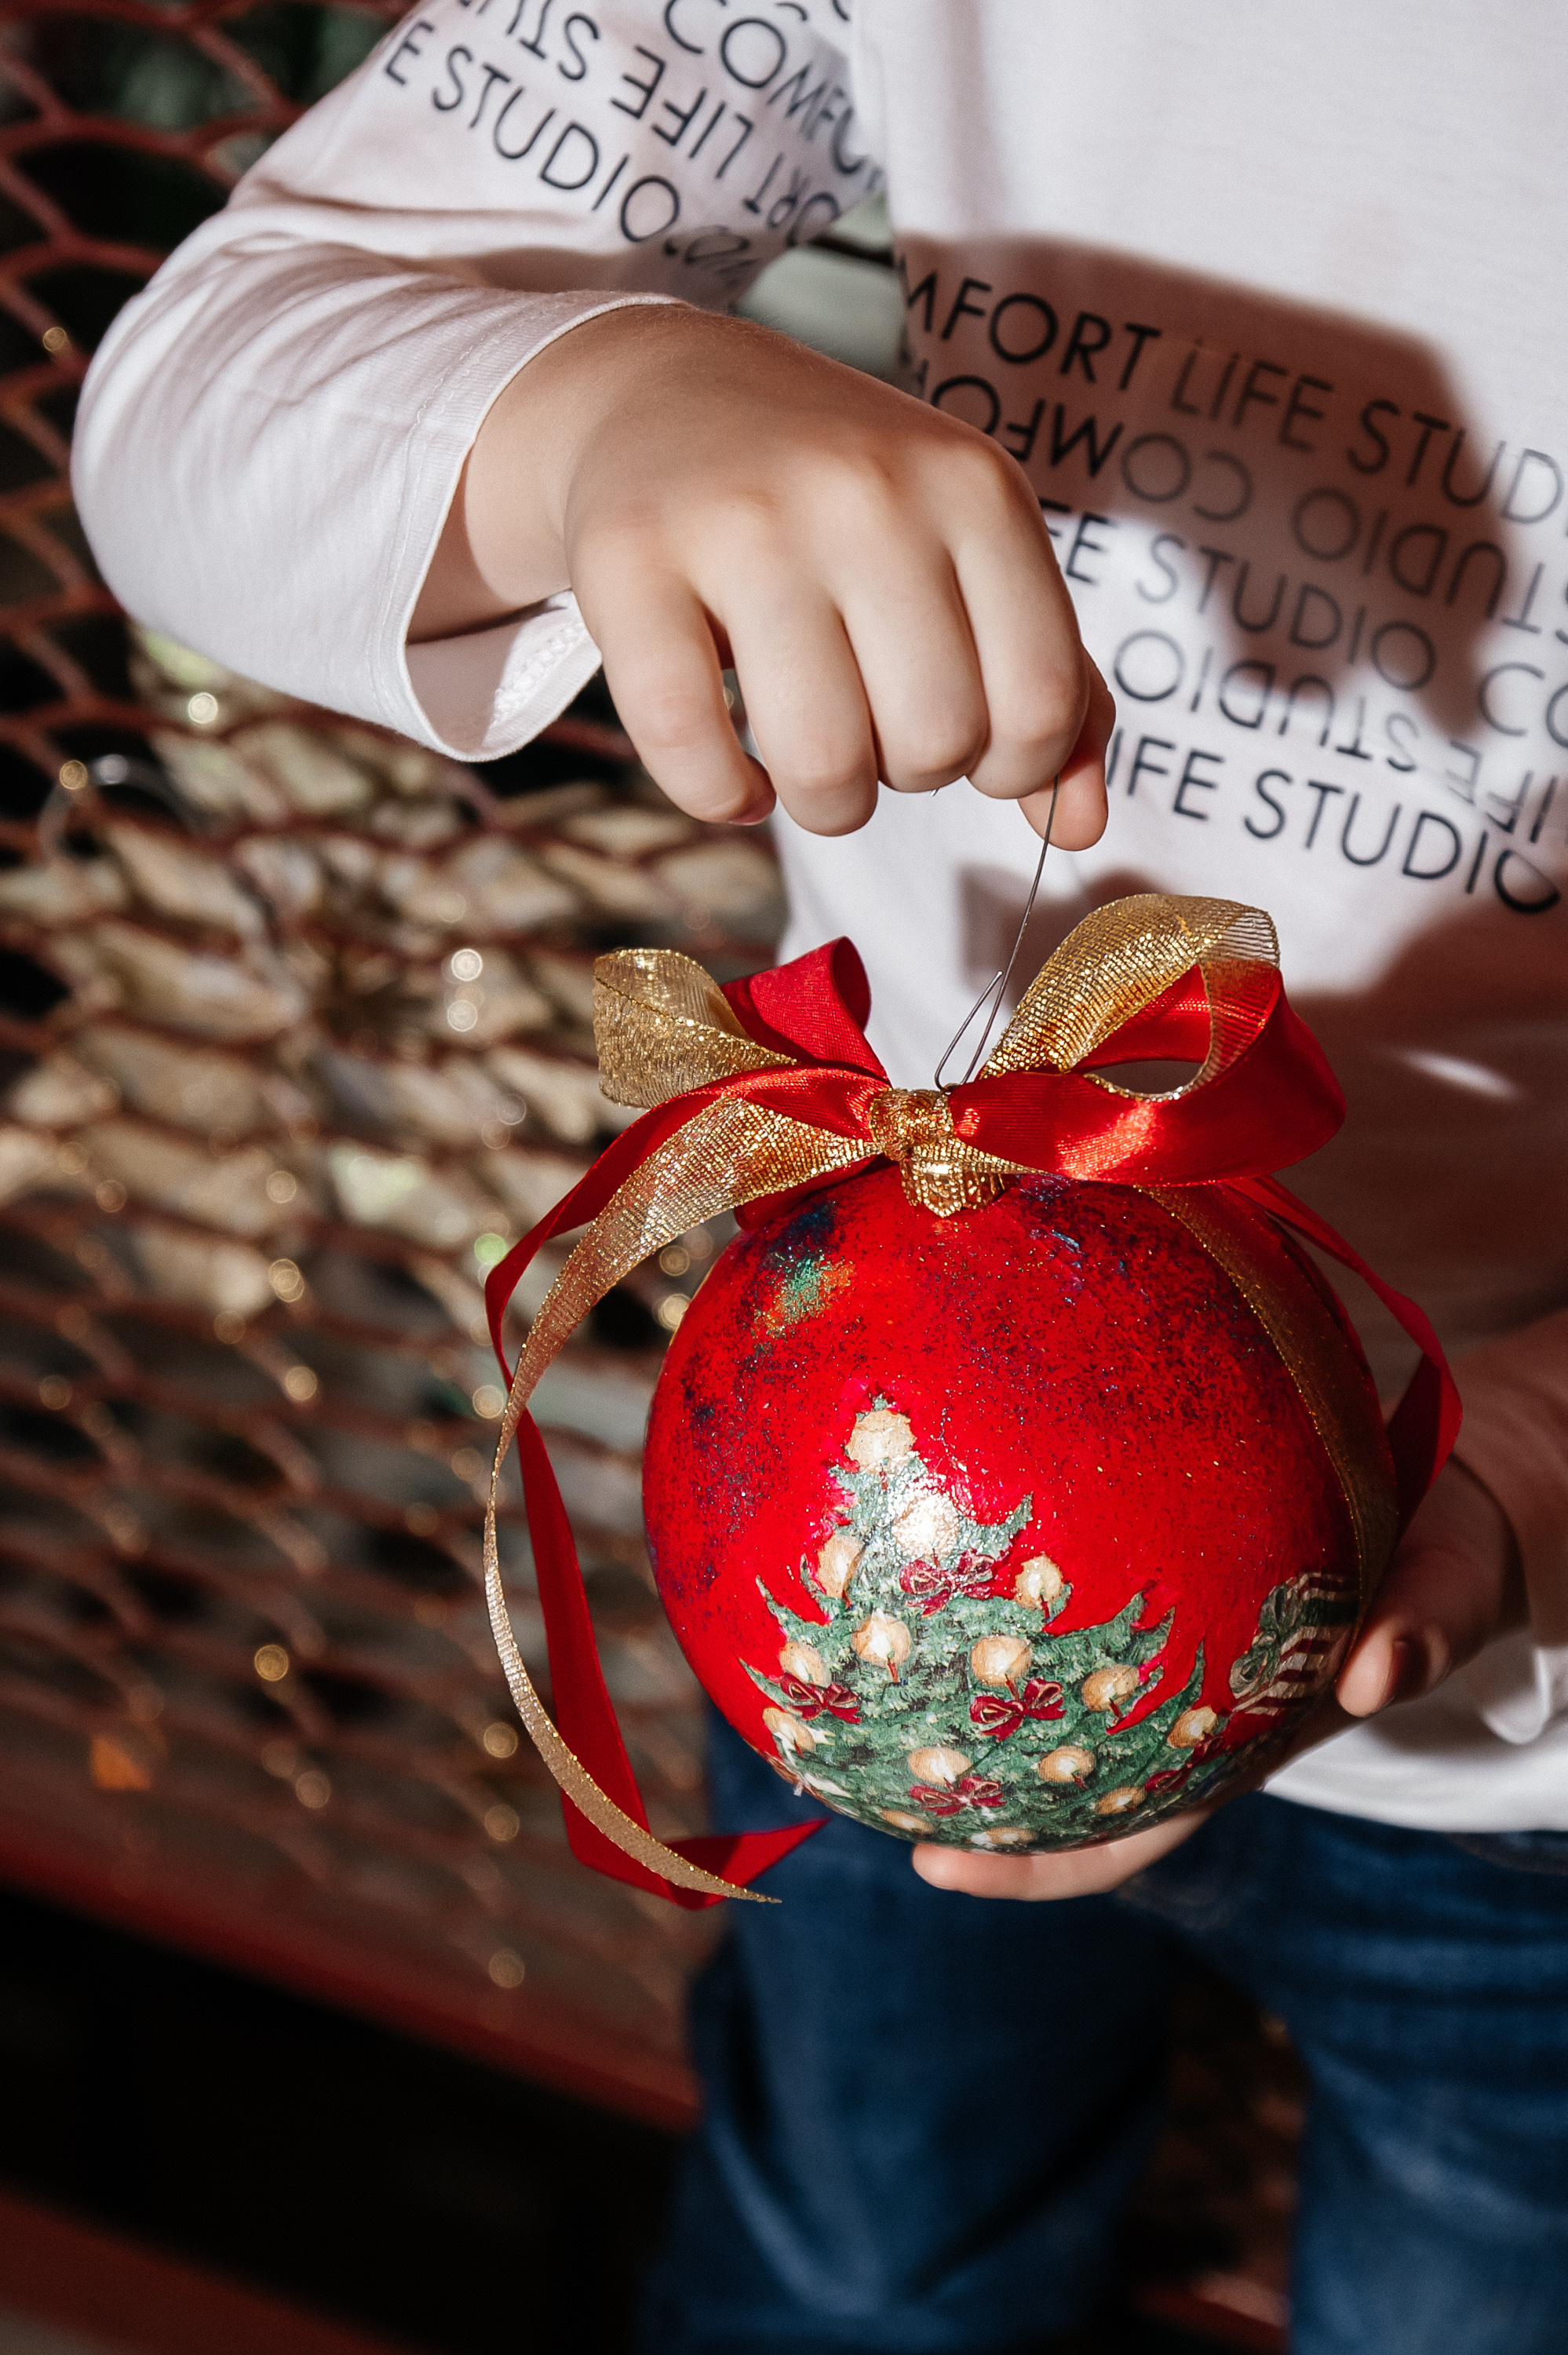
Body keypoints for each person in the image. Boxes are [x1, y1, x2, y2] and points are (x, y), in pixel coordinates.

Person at [74, 6, 1568, 2350]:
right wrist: (582, 422)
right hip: (883, 1559)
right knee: (854, 2259)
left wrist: (1544, 1456)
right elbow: (190, 401)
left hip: (1539, 1776)